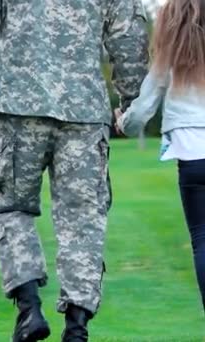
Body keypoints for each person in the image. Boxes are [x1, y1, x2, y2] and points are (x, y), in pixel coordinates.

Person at [0, 0, 149, 340]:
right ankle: (77, 328)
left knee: (12, 208)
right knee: (83, 221)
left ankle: (29, 309)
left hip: (19, 104)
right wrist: (131, 102)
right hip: (84, 111)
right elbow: (129, 37)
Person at [116, 0, 205, 315]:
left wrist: (123, 122)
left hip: (193, 158)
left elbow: (143, 106)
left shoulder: (173, 53)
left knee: (202, 240)